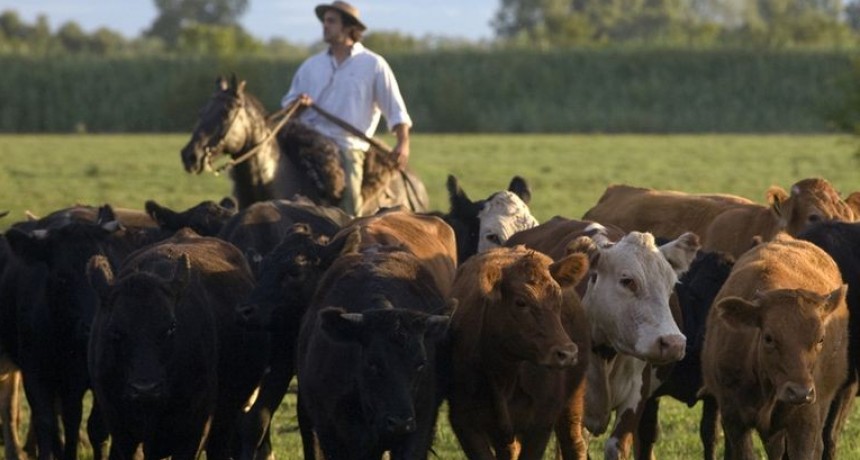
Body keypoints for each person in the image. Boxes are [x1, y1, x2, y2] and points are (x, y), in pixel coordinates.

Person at [281, 1, 413, 216]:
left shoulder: (373, 65)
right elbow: (287, 108)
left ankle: (349, 235)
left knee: (350, 204)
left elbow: (396, 110)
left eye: (331, 21)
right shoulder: (311, 66)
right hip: (305, 139)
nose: (325, 25)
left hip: (347, 146)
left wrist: (403, 143)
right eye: (324, 21)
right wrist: (297, 106)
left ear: (349, 27)